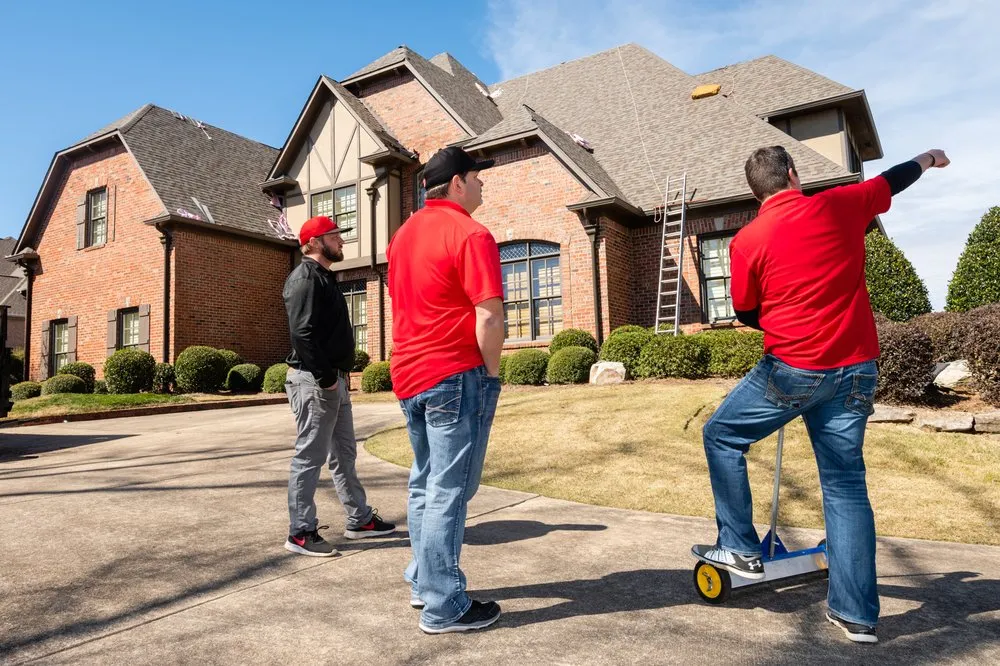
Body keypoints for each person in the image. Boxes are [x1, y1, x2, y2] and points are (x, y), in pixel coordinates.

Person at [693, 146, 950, 644]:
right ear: (793, 174)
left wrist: (784, 316)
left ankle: (739, 546)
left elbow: (746, 310)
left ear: (754, 192)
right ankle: (856, 617)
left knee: (721, 435)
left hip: (793, 370)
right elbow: (893, 179)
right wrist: (928, 158)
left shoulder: (747, 240)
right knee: (845, 485)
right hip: (856, 370)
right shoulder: (840, 204)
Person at [386, 147, 505, 634]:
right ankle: (444, 605)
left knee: (425, 482)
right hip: (454, 373)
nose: (482, 185)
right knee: (450, 489)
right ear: (457, 183)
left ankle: (423, 580)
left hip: (408, 374)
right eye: (477, 177)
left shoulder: (401, 237)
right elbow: (490, 316)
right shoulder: (471, 233)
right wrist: (491, 376)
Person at [282, 215, 396, 557]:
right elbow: (302, 334)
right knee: (309, 456)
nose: (342, 241)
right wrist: (327, 379)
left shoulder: (324, 277)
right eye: (334, 236)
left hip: (333, 381)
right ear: (314, 242)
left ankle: (359, 519)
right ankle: (300, 532)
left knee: (345, 453)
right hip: (315, 381)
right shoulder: (305, 278)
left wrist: (336, 379)